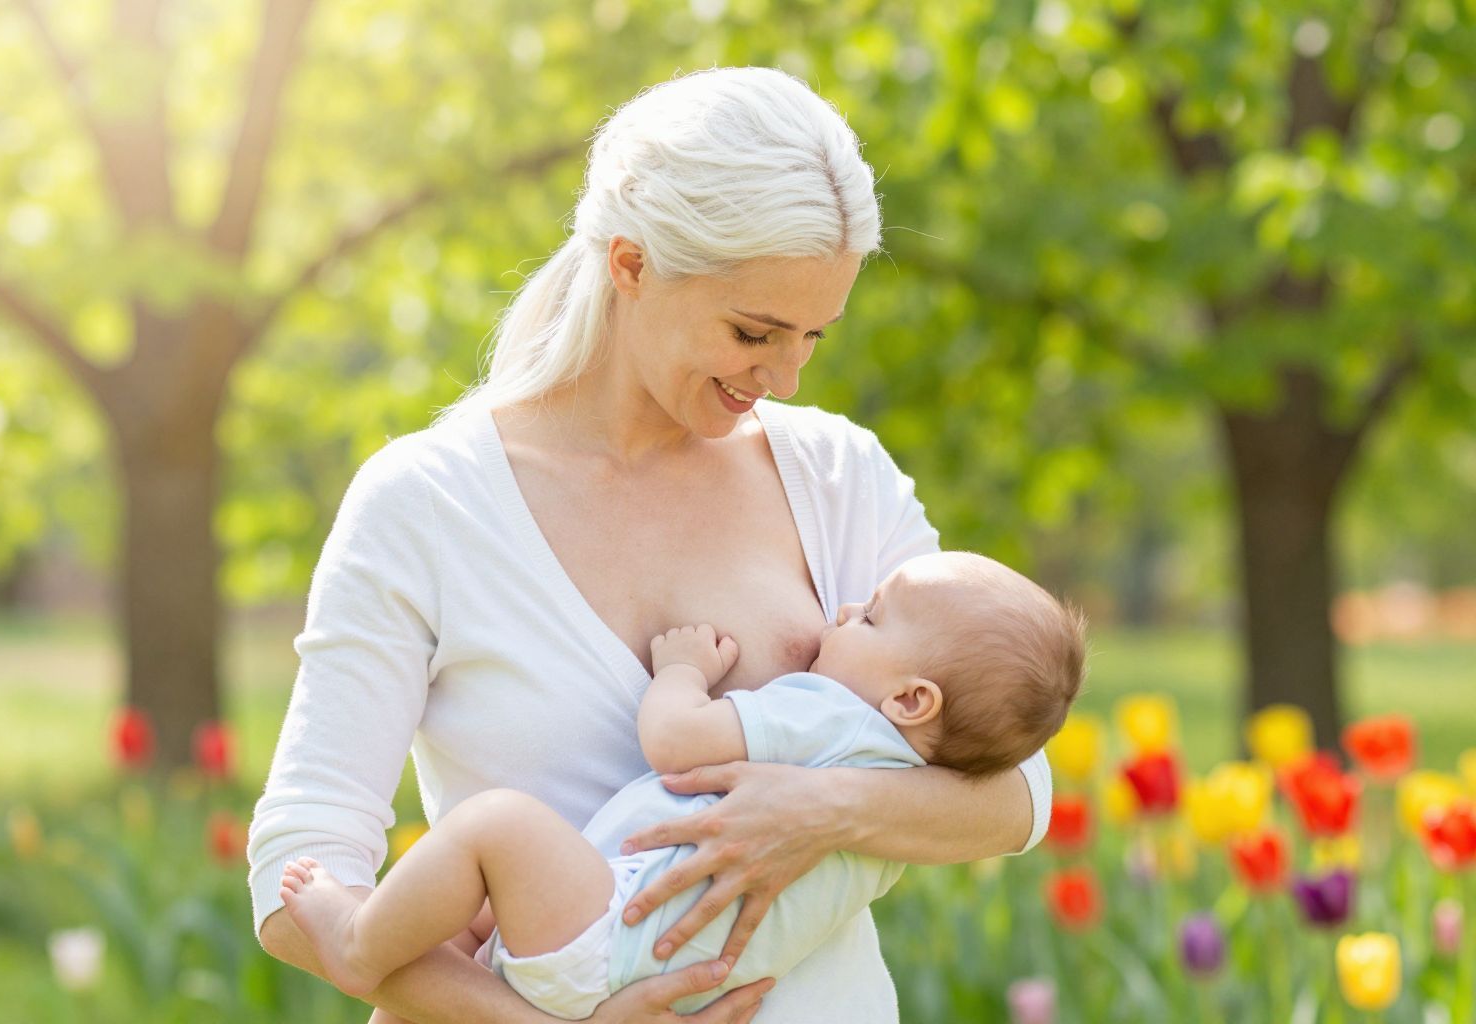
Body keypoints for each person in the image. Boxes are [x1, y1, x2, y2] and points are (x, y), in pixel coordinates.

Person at [247, 65, 1055, 1024]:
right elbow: (300, 880)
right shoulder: (430, 505)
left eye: (814, 337)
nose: (787, 377)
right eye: (755, 329)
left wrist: (820, 812)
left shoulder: (836, 476)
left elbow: (1015, 790)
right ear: (630, 264)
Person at [275, 551, 1085, 1020]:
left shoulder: (833, 720)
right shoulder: (918, 784)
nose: (844, 609)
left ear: (910, 700)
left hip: (611, 936)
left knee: (495, 828)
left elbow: (676, 740)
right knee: (471, 906)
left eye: (869, 617)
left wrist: (685, 670)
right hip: (647, 978)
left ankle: (357, 946)